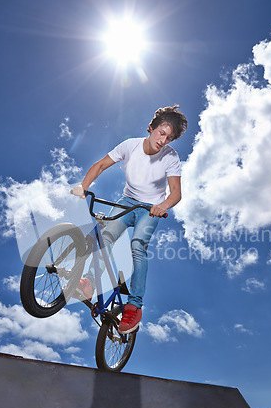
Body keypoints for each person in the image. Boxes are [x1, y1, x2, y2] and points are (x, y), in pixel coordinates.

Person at [72, 105, 187, 334]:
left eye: (169, 138)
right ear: (152, 128)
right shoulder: (129, 146)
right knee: (105, 235)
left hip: (150, 209)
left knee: (137, 245)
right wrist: (83, 186)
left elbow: (176, 193)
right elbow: (101, 165)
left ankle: (134, 305)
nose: (164, 141)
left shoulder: (171, 157)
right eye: (161, 133)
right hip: (127, 202)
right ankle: (90, 282)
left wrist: (161, 206)